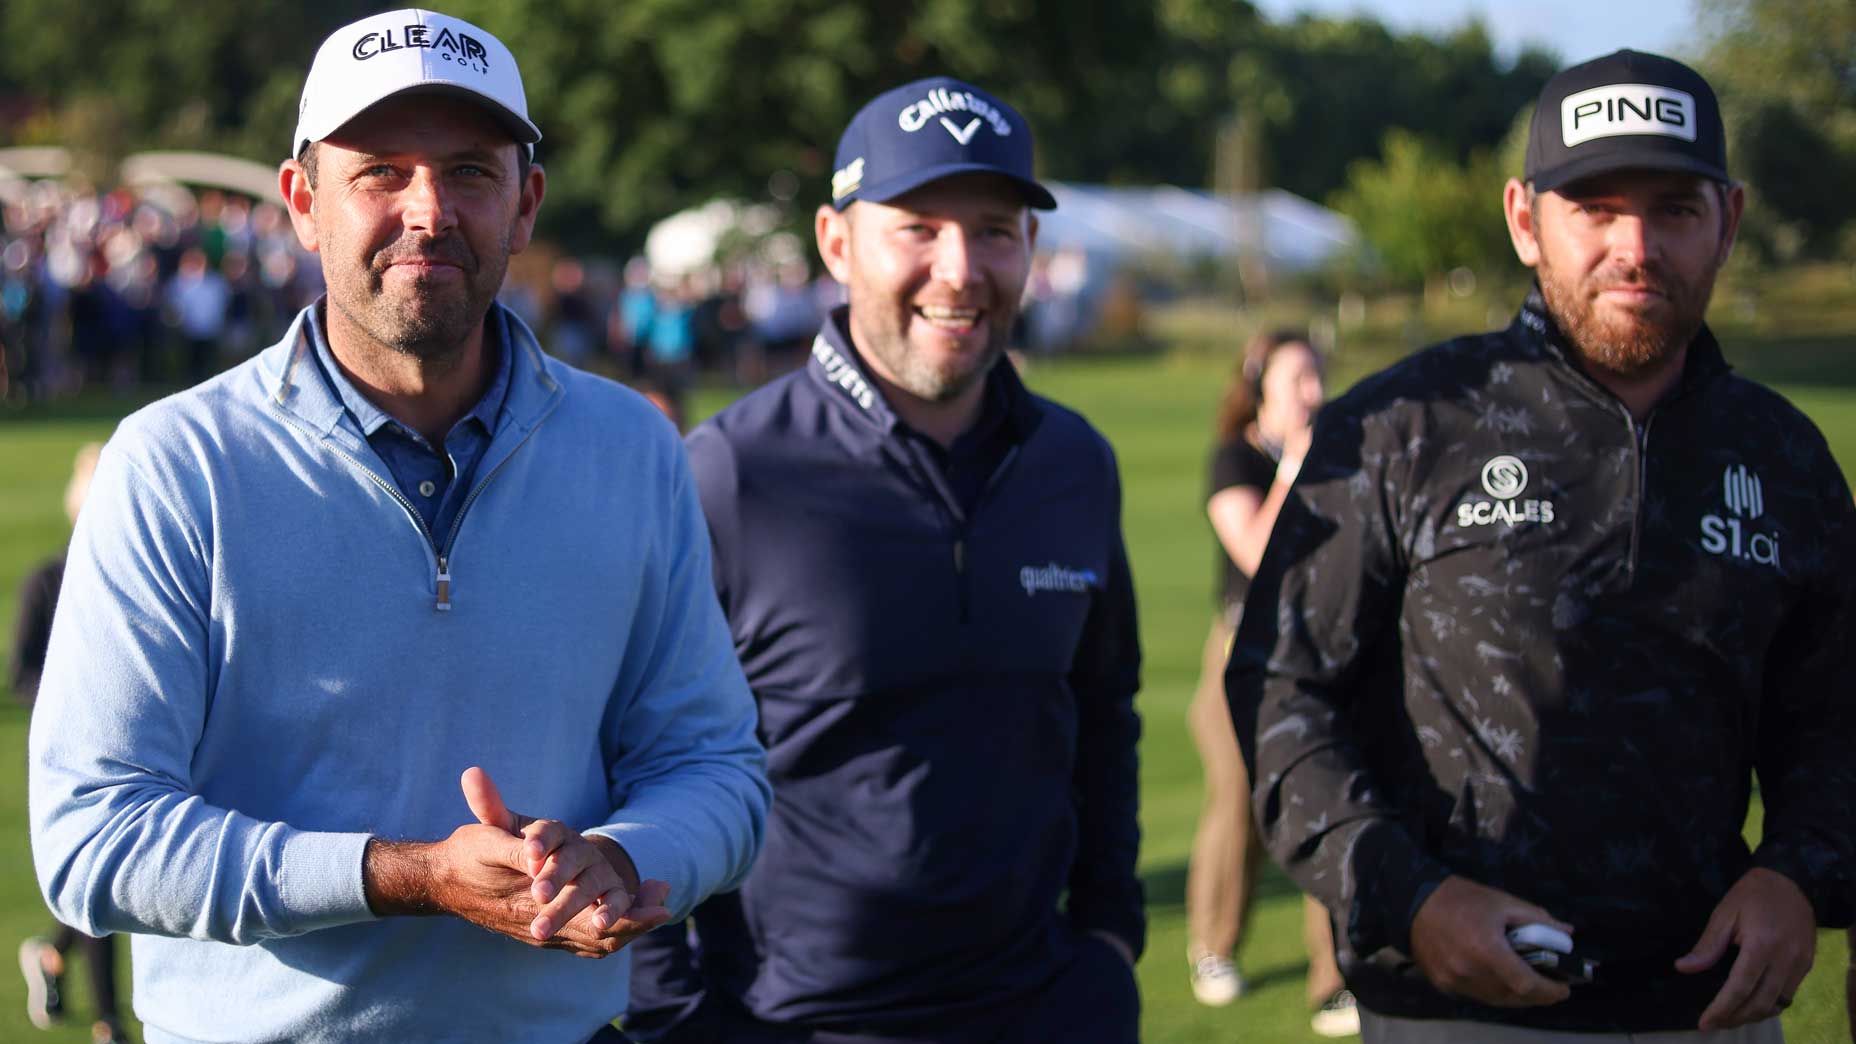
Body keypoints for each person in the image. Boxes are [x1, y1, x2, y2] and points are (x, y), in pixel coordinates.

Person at [27, 11, 769, 1043]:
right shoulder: (176, 462)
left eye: (469, 171)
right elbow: (91, 837)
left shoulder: (629, 448)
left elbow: (716, 768)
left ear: (524, 204)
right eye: (380, 171)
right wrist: (406, 876)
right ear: (302, 202)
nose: (429, 209)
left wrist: (629, 855)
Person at [1229, 49, 1854, 1042]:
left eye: (1673, 210)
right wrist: (1409, 895)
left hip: (1704, 1010)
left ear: (1727, 221)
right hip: (1451, 1008)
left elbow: (1831, 718)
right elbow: (1278, 692)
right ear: (1524, 220)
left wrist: (1796, 872)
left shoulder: (1781, 455)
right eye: (1594, 209)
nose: (1634, 247)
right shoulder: (1403, 425)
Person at [626, 77, 1144, 1043]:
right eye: (917, 227)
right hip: (801, 1023)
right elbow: (625, 758)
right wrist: (677, 1020)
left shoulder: (1075, 464)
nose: (960, 269)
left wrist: (1111, 938)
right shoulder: (729, 474)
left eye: (994, 229)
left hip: (1047, 1006)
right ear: (836, 242)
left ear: (1030, 248)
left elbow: (1105, 711)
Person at [1184, 330, 1355, 1035]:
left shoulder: (1336, 454)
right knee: (1239, 806)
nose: (1311, 393)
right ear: (1259, 388)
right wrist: (1293, 469)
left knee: (1326, 804)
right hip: (1240, 657)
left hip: (1318, 656)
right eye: (1295, 380)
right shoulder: (1238, 458)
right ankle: (1213, 948)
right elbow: (1254, 549)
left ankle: (1334, 979)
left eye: (1316, 377)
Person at [13, 444, 128, 1044]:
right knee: (106, 869)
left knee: (113, 874)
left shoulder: (140, 573)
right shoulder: (47, 581)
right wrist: (75, 700)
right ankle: (110, 1023)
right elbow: (21, 675)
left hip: (142, 737)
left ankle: (53, 955)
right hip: (75, 749)